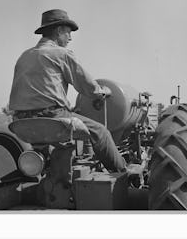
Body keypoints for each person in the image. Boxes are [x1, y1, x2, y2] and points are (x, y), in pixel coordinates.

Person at [9, 9, 126, 172]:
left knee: (62, 143)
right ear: (58, 31)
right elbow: (88, 87)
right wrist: (102, 91)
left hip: (20, 122)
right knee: (101, 132)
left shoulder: (24, 56)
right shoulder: (61, 54)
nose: (70, 38)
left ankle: (52, 174)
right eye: (68, 33)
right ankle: (122, 174)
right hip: (52, 118)